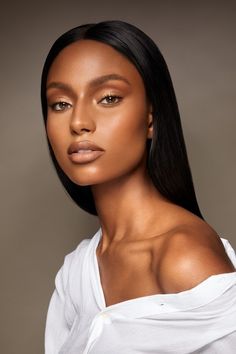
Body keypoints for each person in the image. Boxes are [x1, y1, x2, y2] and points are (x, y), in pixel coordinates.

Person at [41, 20, 236, 353]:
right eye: (61, 103)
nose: (78, 123)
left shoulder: (184, 257)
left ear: (151, 117)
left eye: (108, 98)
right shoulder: (77, 272)